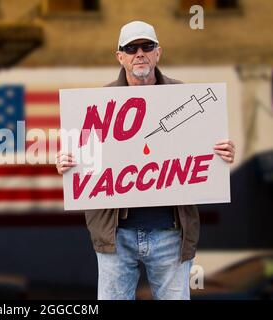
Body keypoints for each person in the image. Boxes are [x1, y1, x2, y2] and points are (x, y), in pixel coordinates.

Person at [56, 21, 235, 300]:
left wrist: (222, 154)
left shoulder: (185, 97)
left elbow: (205, 150)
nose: (140, 53)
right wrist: (68, 163)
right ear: (120, 57)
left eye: (146, 46)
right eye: (131, 48)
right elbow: (83, 161)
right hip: (116, 235)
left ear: (158, 53)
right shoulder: (97, 104)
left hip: (171, 234)